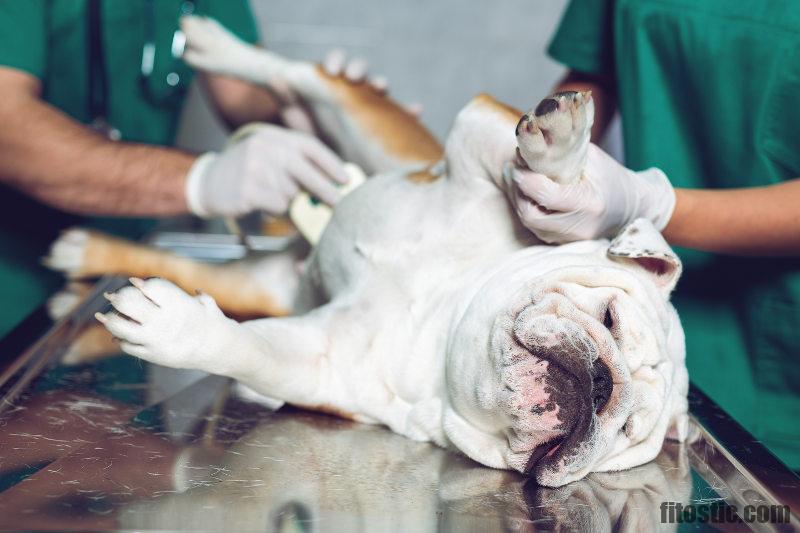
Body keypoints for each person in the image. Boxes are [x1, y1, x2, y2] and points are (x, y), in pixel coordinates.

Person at [508, 0, 800, 469]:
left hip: (781, 366)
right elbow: (593, 74)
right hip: (643, 334)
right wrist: (550, 160)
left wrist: (651, 204)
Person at [0, 1, 369, 338]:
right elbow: (7, 129)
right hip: (14, 292)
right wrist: (200, 180)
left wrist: (314, 117)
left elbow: (244, 94)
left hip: (126, 282)